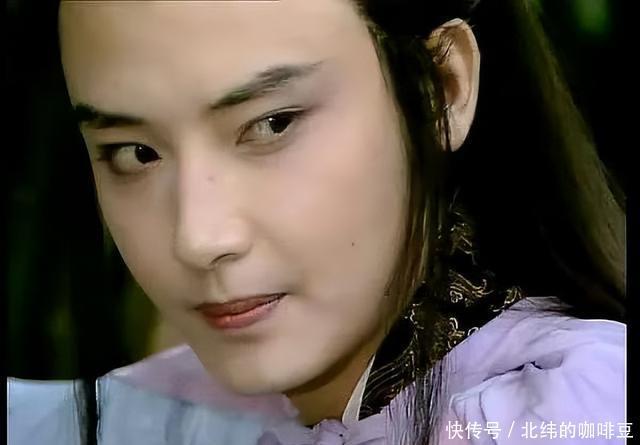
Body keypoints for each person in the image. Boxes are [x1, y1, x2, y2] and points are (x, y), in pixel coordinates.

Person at [8, 0, 627, 444]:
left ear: (441, 87)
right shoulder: (141, 413)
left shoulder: (579, 414)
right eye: (136, 153)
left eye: (272, 124)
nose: (198, 237)